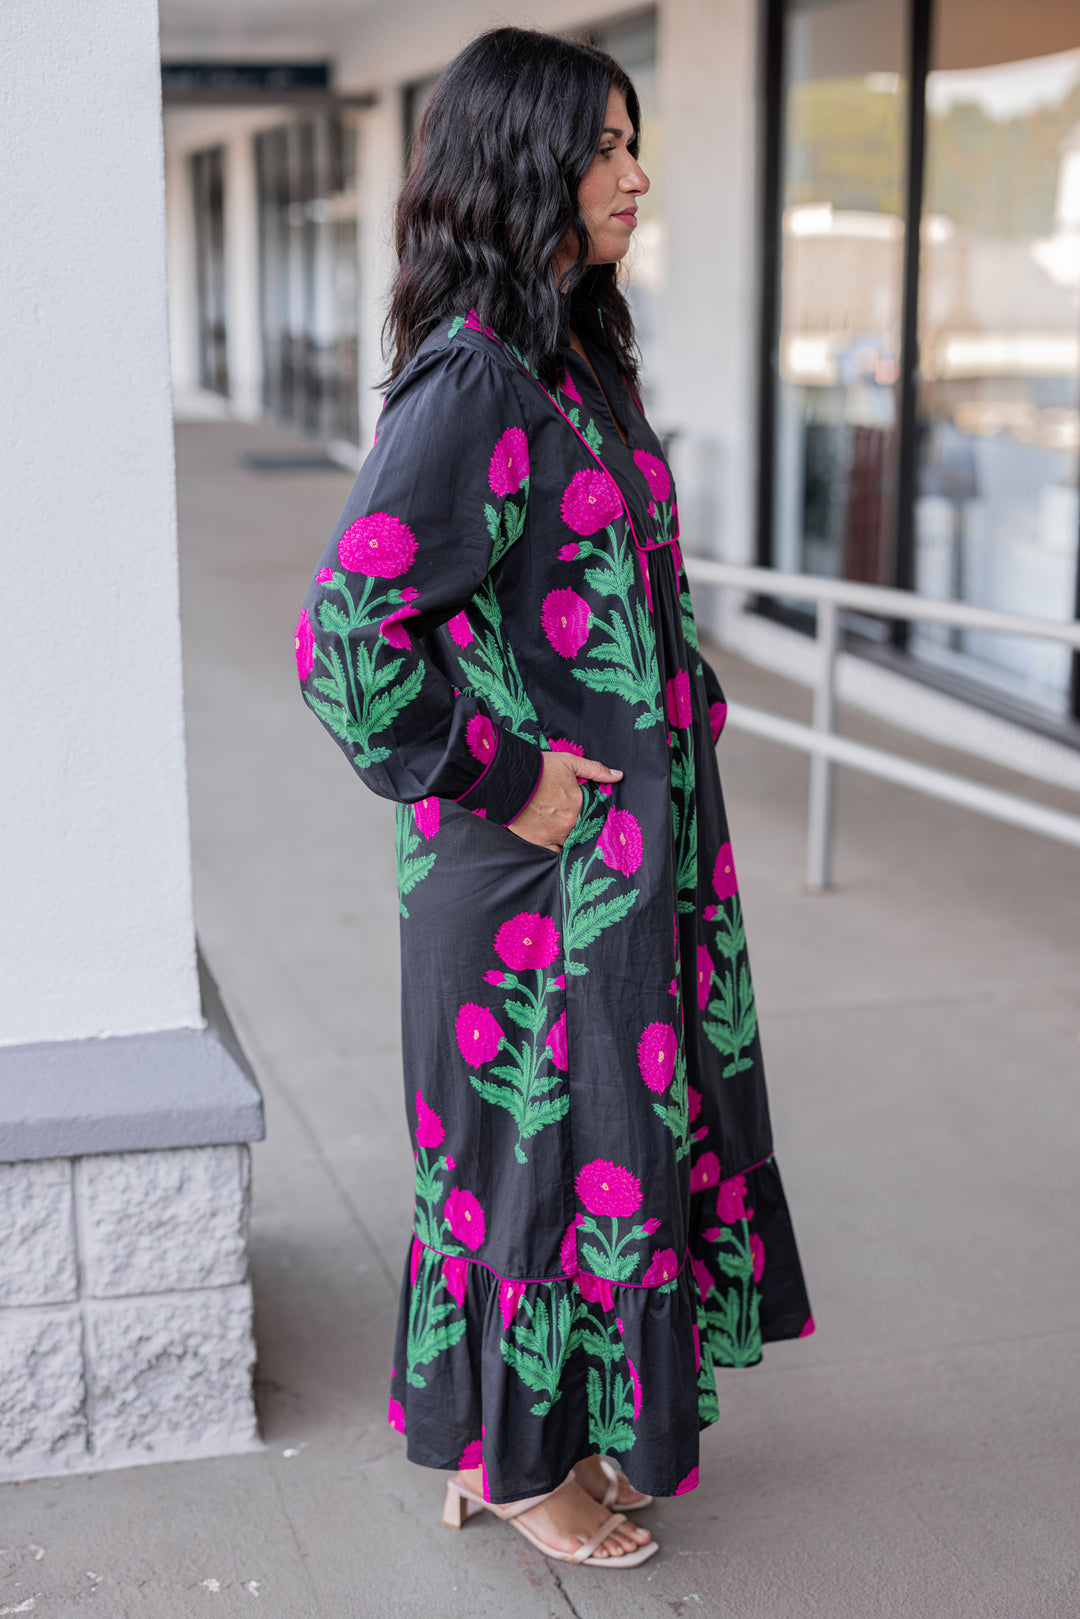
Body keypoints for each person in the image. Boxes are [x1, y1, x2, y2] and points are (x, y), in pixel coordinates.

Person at [296, 25, 813, 1570]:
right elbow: (344, 639)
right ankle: (517, 1469)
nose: (633, 174)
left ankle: (518, 1441)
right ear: (523, 167)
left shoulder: (570, 354)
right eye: (601, 147)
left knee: (607, 1157)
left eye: (632, 139)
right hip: (535, 886)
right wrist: (507, 778)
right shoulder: (469, 384)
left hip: (627, 872)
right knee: (532, 1169)